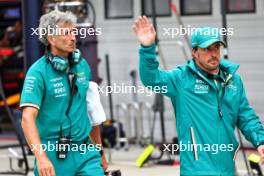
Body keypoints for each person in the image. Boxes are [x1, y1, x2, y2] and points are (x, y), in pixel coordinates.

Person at [133, 16, 264, 175]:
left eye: (216, 48)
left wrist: (260, 141)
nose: (213, 53)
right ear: (194, 52)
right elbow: (151, 79)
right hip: (197, 170)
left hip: (228, 170)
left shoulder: (233, 80)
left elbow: (246, 116)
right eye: (207, 49)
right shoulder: (181, 79)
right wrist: (147, 48)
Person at [20, 10, 104, 176]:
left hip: (86, 152)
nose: (73, 37)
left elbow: (91, 112)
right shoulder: (37, 72)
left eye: (74, 32)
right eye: (66, 33)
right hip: (53, 154)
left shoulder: (82, 66)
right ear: (51, 38)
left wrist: (100, 152)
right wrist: (41, 157)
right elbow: (27, 118)